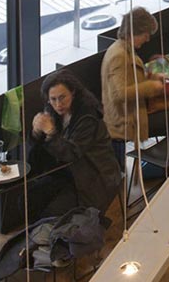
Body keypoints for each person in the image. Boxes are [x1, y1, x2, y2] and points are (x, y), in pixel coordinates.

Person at [29, 69, 121, 217]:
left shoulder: (88, 115)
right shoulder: (52, 110)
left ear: (73, 92)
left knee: (51, 212)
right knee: (28, 201)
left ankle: (58, 236)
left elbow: (71, 153)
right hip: (68, 172)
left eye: (62, 97)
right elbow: (39, 152)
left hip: (94, 177)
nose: (58, 104)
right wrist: (36, 132)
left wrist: (51, 133)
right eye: (53, 99)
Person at [101, 8, 169, 147]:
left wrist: (151, 77)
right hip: (126, 122)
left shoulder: (120, 49)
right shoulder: (118, 56)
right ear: (135, 32)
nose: (148, 39)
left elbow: (128, 80)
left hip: (132, 114)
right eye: (145, 34)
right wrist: (152, 86)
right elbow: (119, 94)